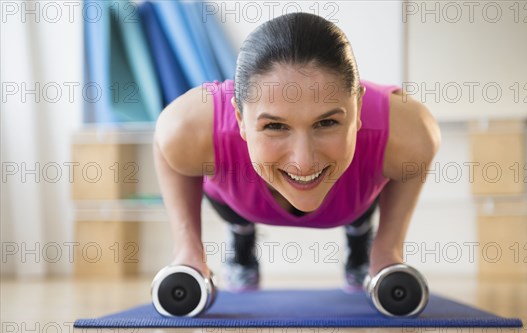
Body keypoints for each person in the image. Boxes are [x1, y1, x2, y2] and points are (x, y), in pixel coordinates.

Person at [153, 12, 440, 292]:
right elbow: (166, 152)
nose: (303, 162)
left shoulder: (408, 134)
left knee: (358, 210)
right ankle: (241, 237)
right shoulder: (189, 128)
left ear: (359, 108)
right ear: (240, 119)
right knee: (239, 213)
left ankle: (360, 237)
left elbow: (413, 161)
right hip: (239, 199)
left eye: (327, 122)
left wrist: (387, 251)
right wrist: (188, 251)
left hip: (353, 200)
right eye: (275, 126)